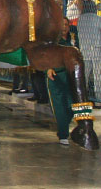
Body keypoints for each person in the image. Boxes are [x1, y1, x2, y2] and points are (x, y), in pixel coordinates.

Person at [46, 17, 80, 146]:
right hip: (56, 77)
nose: (64, 27)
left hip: (71, 77)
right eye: (62, 24)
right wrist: (48, 69)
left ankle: (64, 129)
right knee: (59, 108)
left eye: (66, 24)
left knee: (72, 106)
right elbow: (46, 57)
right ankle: (63, 134)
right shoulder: (53, 41)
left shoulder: (73, 39)